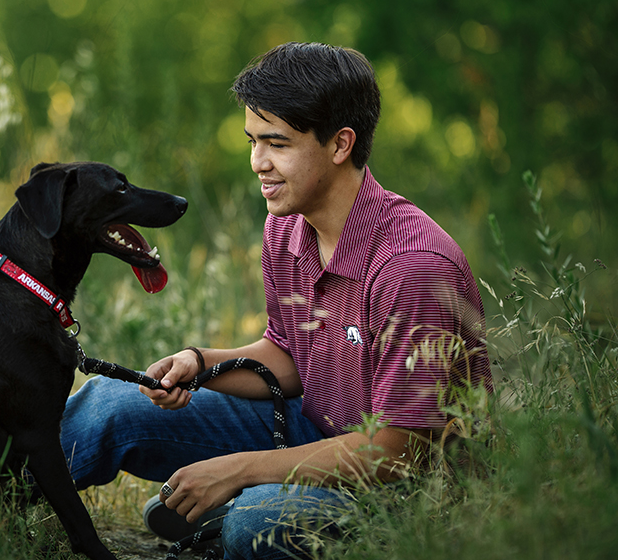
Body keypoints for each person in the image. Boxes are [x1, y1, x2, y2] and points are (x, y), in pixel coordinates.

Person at [60, 42, 493, 560]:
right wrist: (201, 364)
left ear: (339, 145)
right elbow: (289, 356)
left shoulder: (414, 266)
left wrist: (237, 470)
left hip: (409, 491)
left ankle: (234, 511)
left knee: (259, 522)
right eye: (253, 141)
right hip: (314, 427)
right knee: (109, 404)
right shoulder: (285, 226)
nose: (257, 162)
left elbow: (398, 453)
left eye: (277, 144)